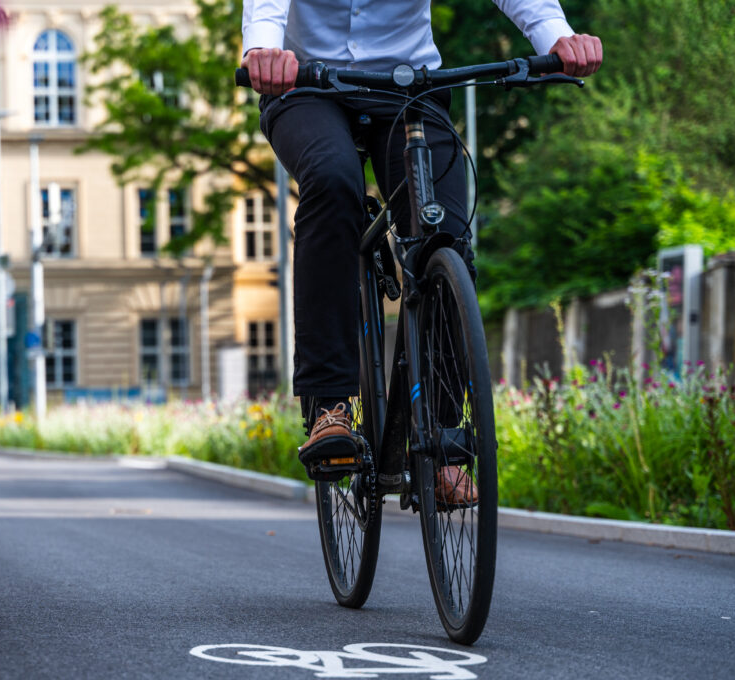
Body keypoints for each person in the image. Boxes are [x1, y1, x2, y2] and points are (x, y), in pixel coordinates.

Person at [241, 0, 602, 502]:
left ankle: (444, 440)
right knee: (331, 180)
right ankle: (329, 406)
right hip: (307, 85)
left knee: (445, 233)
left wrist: (555, 36)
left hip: (411, 84)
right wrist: (263, 48)